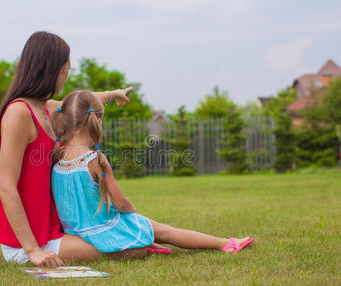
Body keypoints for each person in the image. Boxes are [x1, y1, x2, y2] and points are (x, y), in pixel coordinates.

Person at [0, 31, 147, 267]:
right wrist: (33, 250)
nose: (67, 74)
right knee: (136, 247)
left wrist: (113, 95)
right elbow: (6, 187)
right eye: (67, 68)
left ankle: (213, 242)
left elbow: (85, 102)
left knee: (136, 236)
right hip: (29, 243)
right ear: (52, 69)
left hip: (53, 232)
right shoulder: (19, 113)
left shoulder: (47, 108)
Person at [50, 90, 254, 255]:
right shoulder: (95, 160)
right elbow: (121, 204)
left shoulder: (56, 156)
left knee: (156, 231)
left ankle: (149, 245)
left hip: (74, 234)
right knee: (165, 231)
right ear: (97, 120)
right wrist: (134, 215)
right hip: (105, 228)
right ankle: (225, 244)